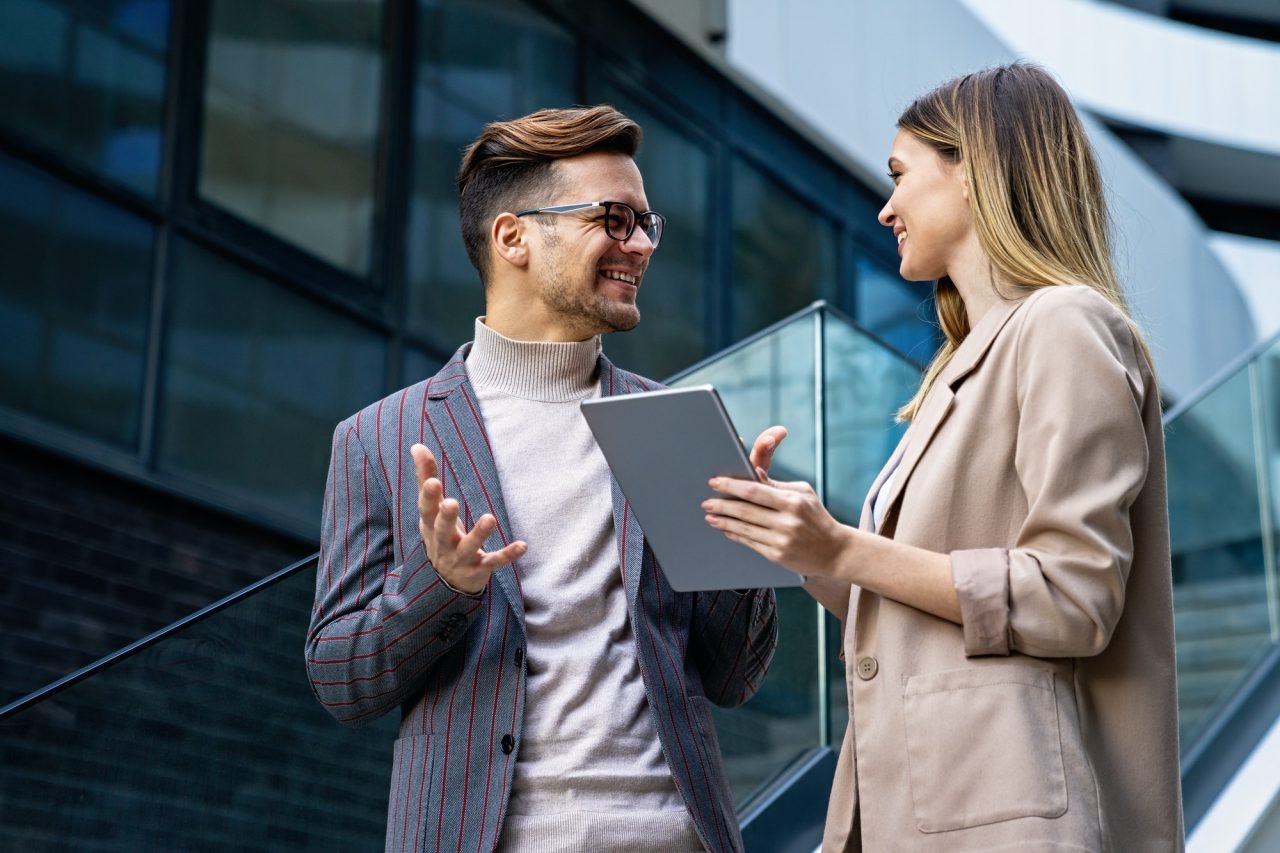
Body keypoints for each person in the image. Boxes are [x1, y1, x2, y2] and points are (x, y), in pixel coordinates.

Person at [703, 63, 1184, 851]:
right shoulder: (959, 368)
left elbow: (1072, 595)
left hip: (1007, 811)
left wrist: (845, 545)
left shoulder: (1064, 324)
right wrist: (798, 546)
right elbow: (925, 603)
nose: (886, 206)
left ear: (975, 172)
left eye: (900, 174)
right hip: (925, 806)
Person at [305, 105, 780, 853]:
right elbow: (342, 679)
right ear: (514, 236)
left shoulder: (675, 424)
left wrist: (736, 544)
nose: (641, 245)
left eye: (648, 224)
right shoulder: (380, 438)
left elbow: (733, 677)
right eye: (615, 220)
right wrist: (442, 586)